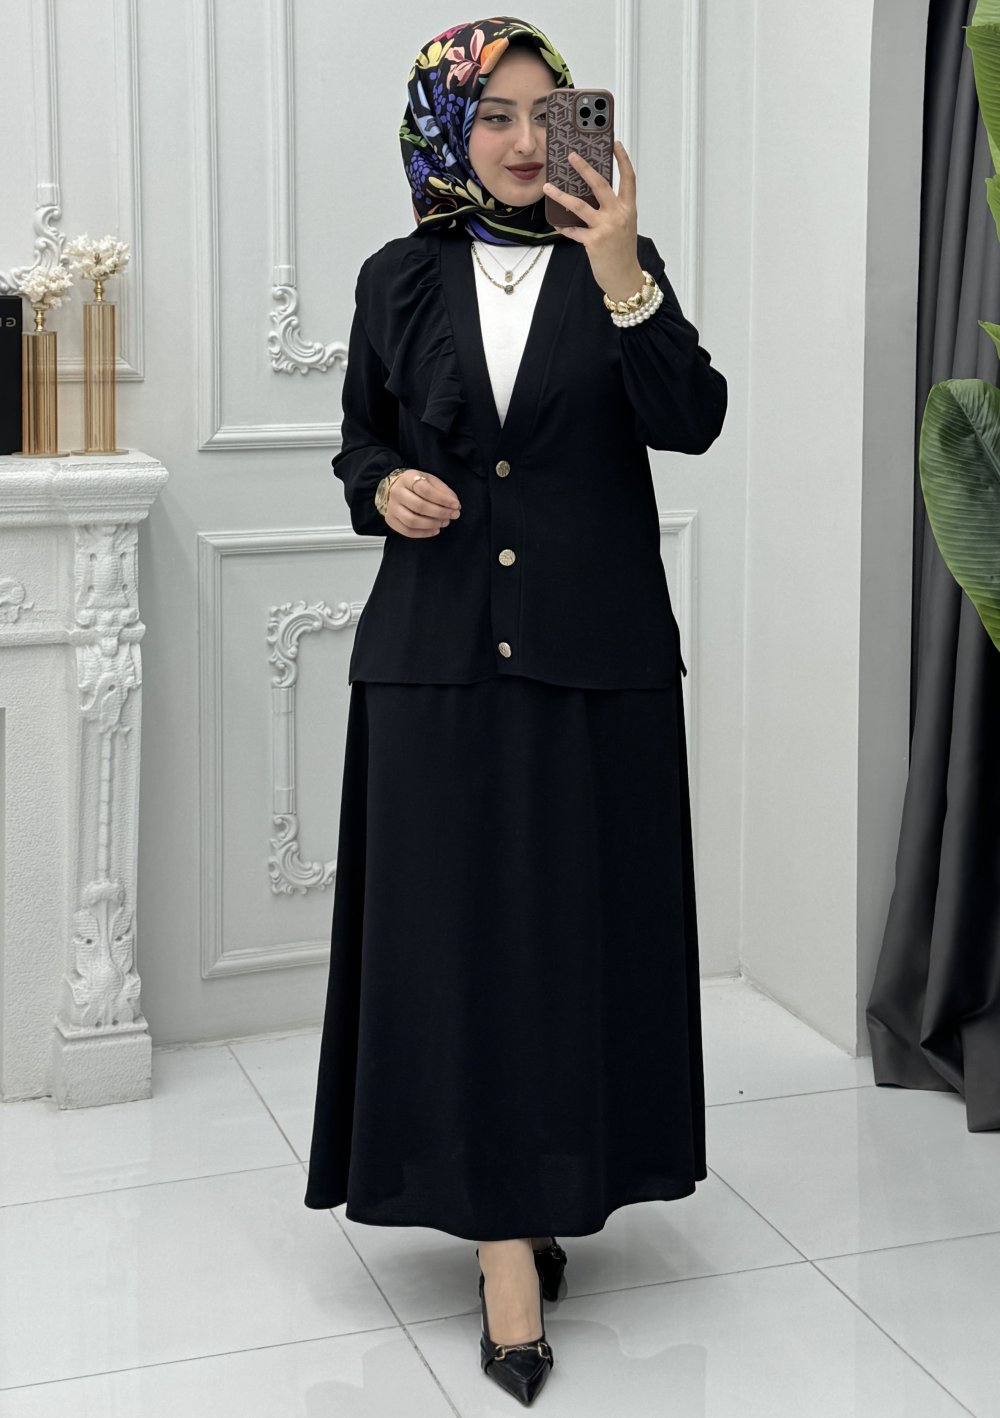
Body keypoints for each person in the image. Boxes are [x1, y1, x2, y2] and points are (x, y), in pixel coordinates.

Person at [304, 15, 728, 1406]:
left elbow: (692, 417)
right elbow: (360, 437)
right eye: (494, 114)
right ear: (449, 129)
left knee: (569, 944)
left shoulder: (619, 262)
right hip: (432, 665)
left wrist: (623, 273)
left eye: (551, 113)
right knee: (457, 949)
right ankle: (503, 1249)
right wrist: (382, 486)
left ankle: (544, 1184)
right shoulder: (395, 278)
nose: (526, 139)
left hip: (594, 661)